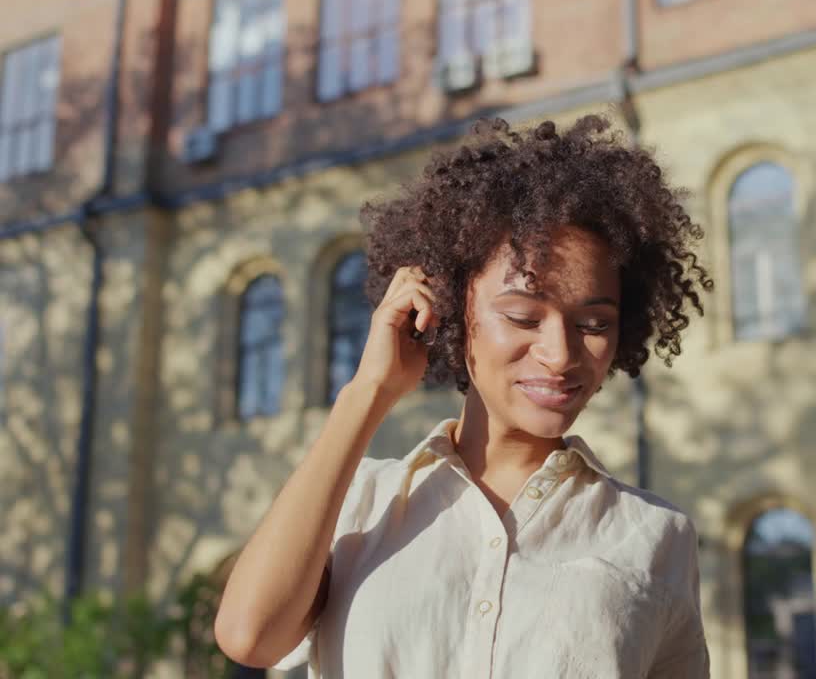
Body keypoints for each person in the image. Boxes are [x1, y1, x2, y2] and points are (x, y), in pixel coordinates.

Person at [214, 116, 714, 678]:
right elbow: (249, 636)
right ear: (455, 309)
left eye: (594, 323)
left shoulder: (653, 535)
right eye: (523, 316)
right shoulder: (360, 503)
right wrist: (370, 392)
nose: (560, 353)